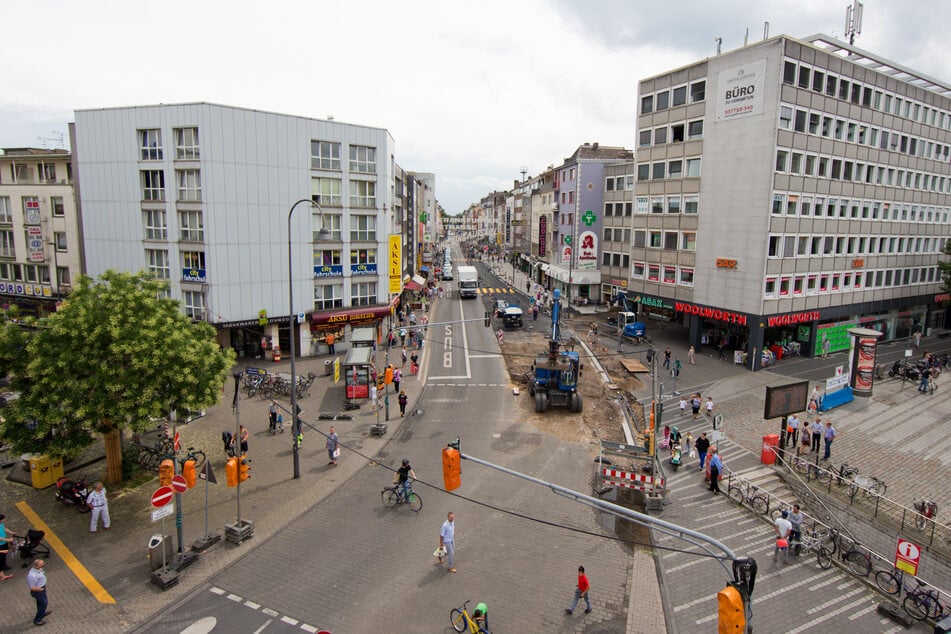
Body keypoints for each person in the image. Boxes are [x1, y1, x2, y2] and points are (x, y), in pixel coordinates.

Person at [27, 559, 49, 626]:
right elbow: (32, 587)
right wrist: (40, 590)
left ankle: (41, 613)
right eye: (41, 564)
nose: (43, 565)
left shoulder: (38, 569)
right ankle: (37, 620)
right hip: (38, 591)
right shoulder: (32, 575)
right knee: (44, 603)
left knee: (40, 603)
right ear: (36, 565)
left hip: (42, 589)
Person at [0, 514, 13, 579]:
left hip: (4, 543)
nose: (4, 520)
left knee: (4, 555)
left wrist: (12, 532)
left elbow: (4, 528)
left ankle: (4, 565)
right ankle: (2, 568)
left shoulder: (1, 524)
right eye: (3, 519)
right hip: (0, 545)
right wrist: (9, 540)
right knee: (1, 557)